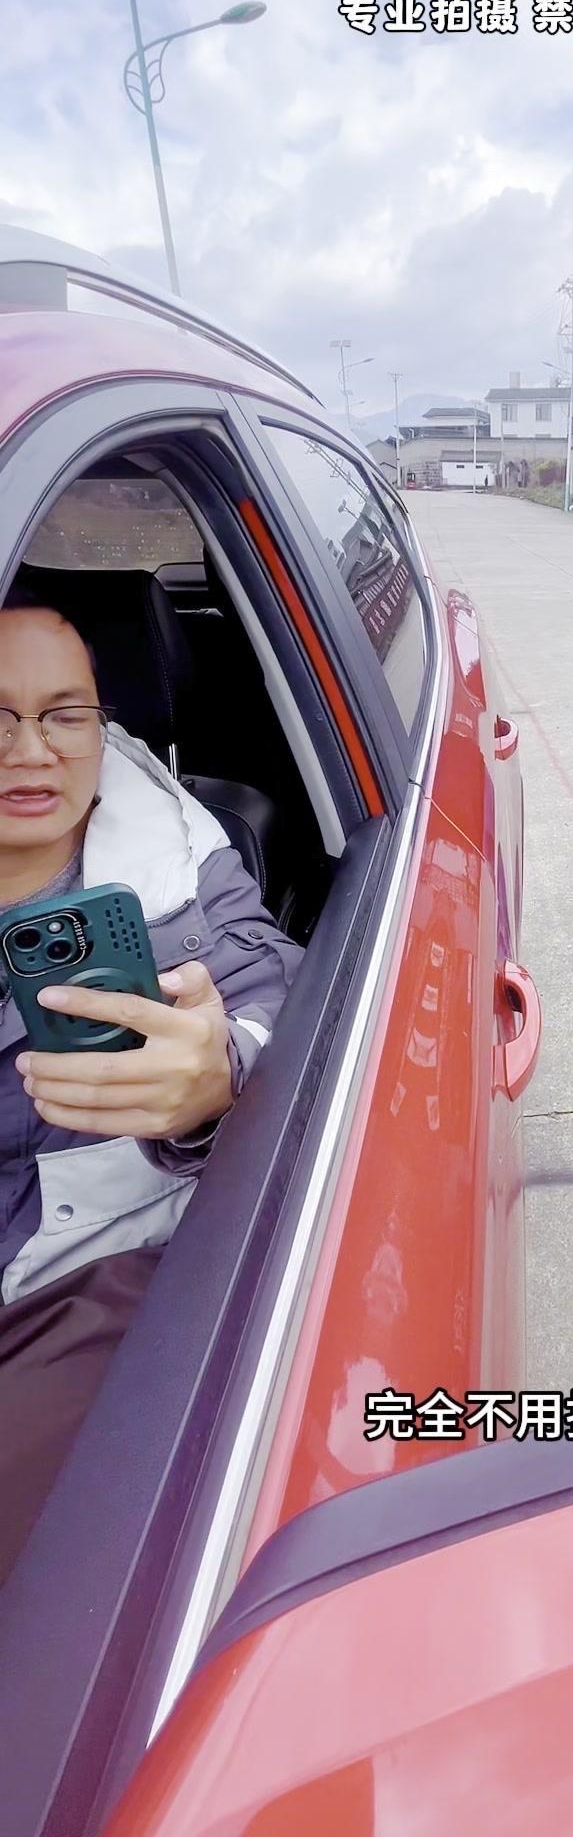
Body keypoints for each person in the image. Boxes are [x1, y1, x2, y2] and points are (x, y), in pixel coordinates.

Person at [0, 593, 303, 1579]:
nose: (31, 752)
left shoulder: (179, 870)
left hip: (74, 1289)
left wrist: (219, 1078)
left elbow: (280, 991)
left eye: (63, 714)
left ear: (103, 723)